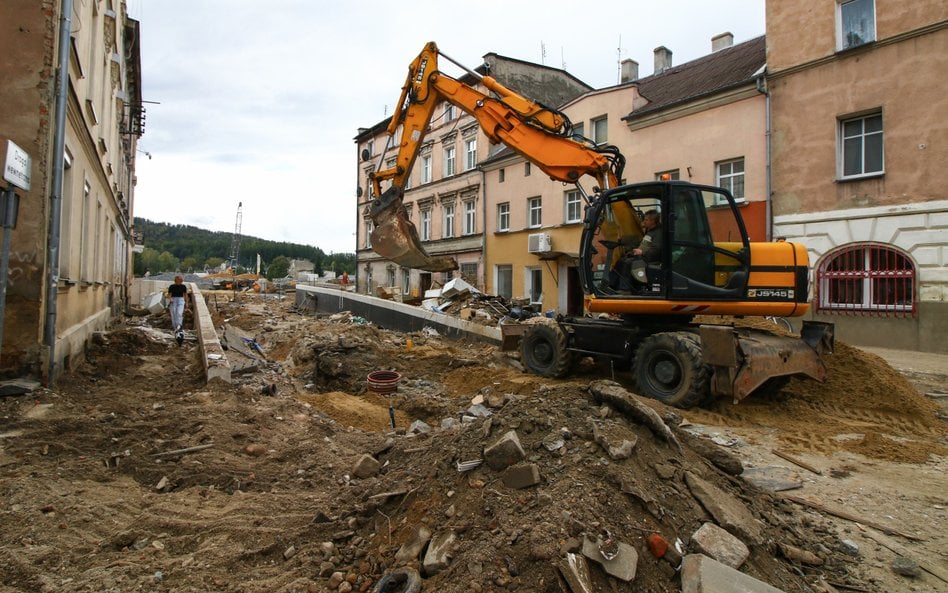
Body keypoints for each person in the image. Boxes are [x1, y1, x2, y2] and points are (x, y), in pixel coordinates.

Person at [167, 275, 189, 345]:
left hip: (180, 300)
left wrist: (186, 303)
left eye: (181, 280)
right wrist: (170, 299)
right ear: (176, 280)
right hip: (174, 299)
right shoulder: (172, 286)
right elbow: (169, 294)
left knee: (179, 312)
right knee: (173, 313)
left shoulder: (183, 287)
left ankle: (179, 326)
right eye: (179, 280)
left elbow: (185, 295)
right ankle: (175, 327)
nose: (180, 281)